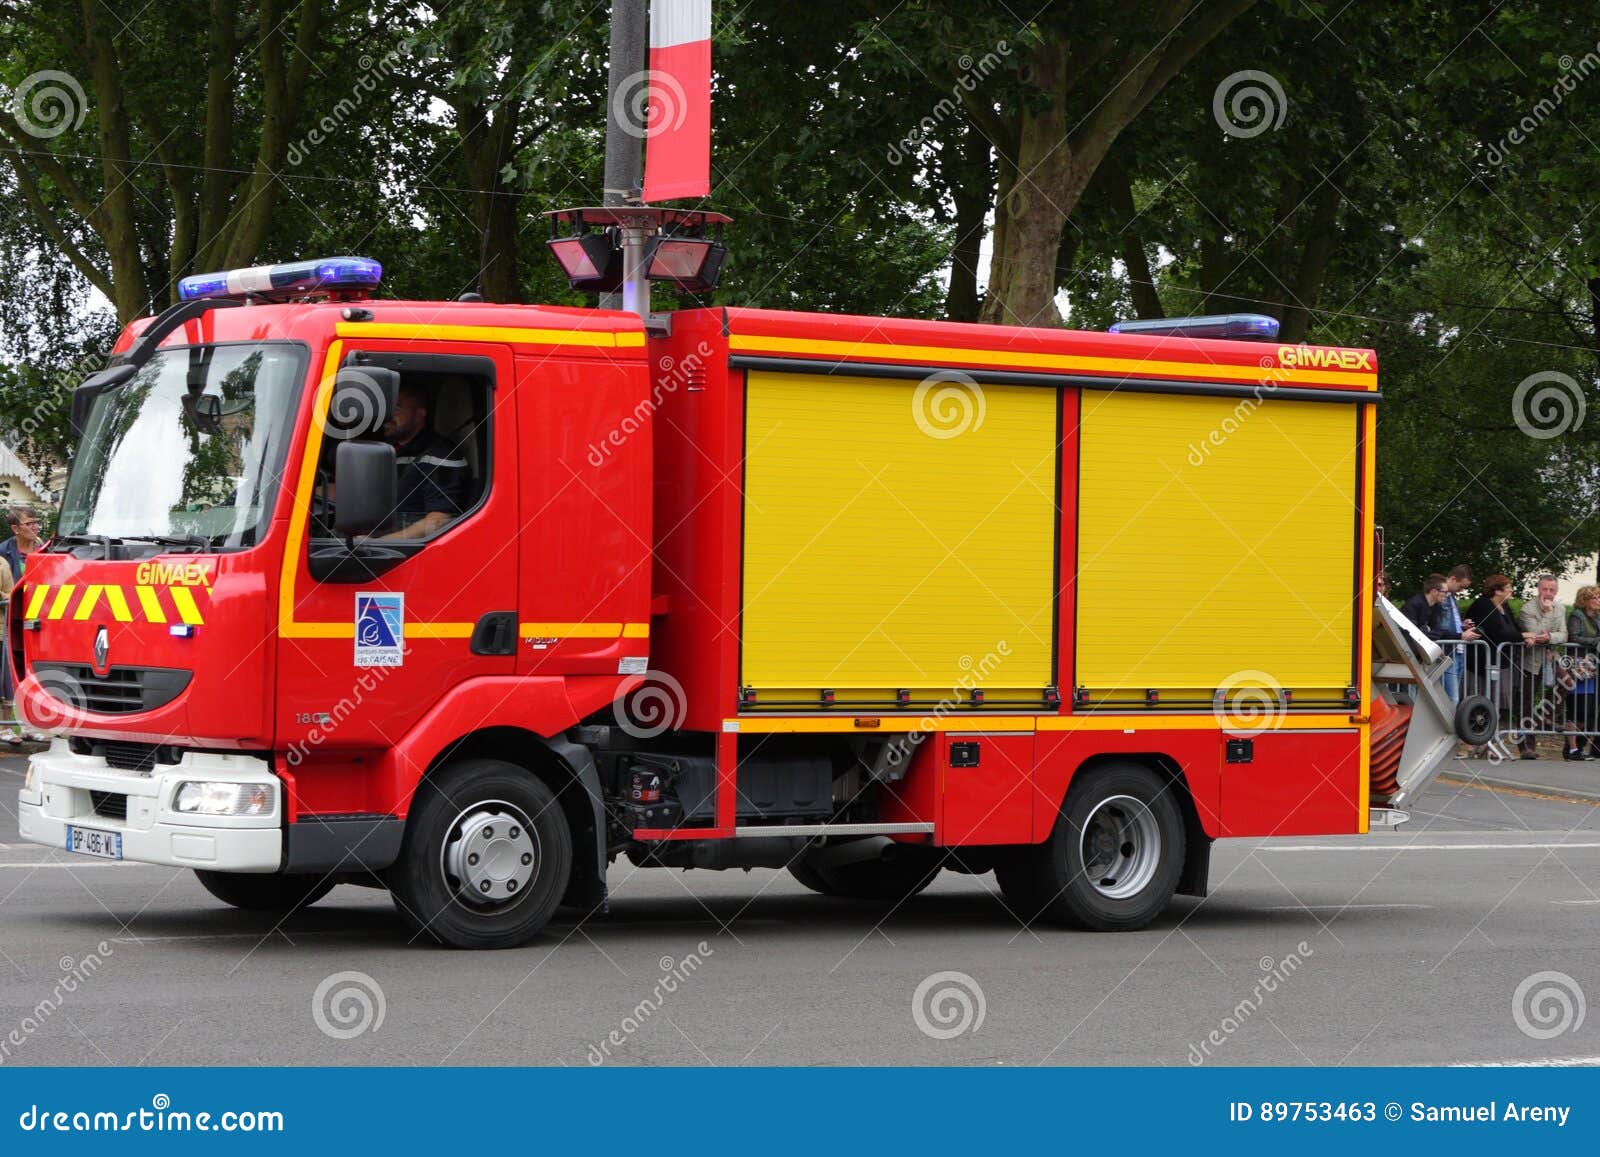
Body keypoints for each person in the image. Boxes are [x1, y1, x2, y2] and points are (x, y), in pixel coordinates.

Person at [379, 382, 468, 540]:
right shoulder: (388, 448)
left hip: (405, 552)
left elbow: (439, 520)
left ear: (420, 414)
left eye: (397, 409)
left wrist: (380, 543)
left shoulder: (441, 455)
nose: (388, 416)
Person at [1464, 574, 1536, 758]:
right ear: (1497, 590)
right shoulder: (1483, 605)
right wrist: (1523, 636)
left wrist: (1523, 635)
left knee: (1496, 704)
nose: (1511, 591)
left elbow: (1512, 629)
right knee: (1481, 703)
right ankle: (1476, 743)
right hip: (1482, 663)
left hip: (1500, 662)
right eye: (1508, 587)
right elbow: (1497, 633)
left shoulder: (1504, 606)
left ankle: (1490, 744)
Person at [0, 506, 42, 745]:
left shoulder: (43, 550)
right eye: (29, 523)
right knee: (8, 674)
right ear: (15, 528)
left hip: (37, 622)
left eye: (37, 522)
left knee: (31, 674)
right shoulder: (3, 553)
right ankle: (6, 726)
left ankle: (29, 725)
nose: (35, 527)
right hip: (10, 622)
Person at [1516, 574, 1568, 759]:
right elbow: (1534, 633)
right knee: (1526, 703)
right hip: (1529, 660)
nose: (1548, 593)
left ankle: (1545, 719)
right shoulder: (1527, 609)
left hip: (1550, 656)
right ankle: (1526, 748)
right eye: (1544, 589)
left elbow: (1563, 634)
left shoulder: (1560, 608)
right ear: (1538, 589)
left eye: (1551, 590)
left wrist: (1550, 638)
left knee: (1566, 681)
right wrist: (1546, 614)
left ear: (1556, 591)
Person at [1565, 586, 1600, 760]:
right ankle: (1571, 748)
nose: (1598, 601)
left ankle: (1581, 746)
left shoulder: (1597, 617)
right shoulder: (1576, 615)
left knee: (1589, 709)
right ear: (1586, 599)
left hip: (1592, 668)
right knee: (1576, 708)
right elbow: (1574, 637)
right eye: (1595, 597)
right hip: (1577, 666)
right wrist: (1596, 641)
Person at [1439, 564, 1474, 702]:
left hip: (1456, 650)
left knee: (1453, 696)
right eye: (1461, 587)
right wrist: (1460, 635)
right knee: (1451, 698)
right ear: (1453, 579)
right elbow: (1440, 627)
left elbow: (1448, 624)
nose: (1461, 590)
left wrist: (1462, 626)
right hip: (1448, 652)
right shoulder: (1442, 597)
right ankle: (1446, 724)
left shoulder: (1452, 597)